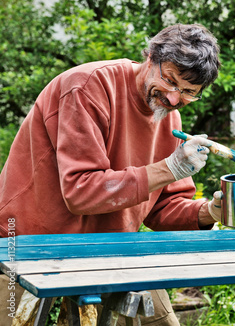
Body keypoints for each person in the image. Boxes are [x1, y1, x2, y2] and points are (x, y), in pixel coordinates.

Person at [0, 23, 223, 325]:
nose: (173, 98)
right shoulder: (86, 87)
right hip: (26, 242)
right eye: (170, 81)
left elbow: (163, 209)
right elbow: (81, 191)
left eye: (188, 92)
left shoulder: (169, 117)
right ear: (150, 57)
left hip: (107, 248)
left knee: (160, 322)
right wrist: (168, 167)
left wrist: (211, 211)